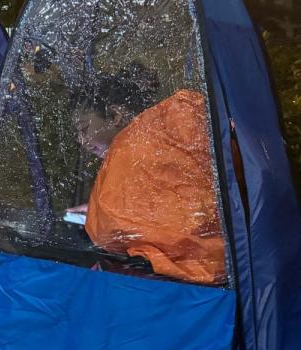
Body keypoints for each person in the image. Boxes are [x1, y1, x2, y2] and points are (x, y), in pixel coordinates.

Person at [69, 63, 226, 285]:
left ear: (114, 116)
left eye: (84, 129)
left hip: (172, 281)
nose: (82, 142)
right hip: (219, 270)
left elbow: (110, 234)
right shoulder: (174, 130)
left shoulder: (130, 148)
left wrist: (98, 214)